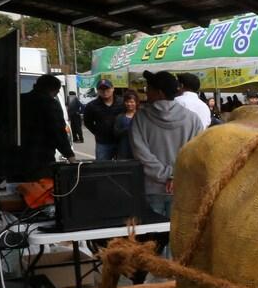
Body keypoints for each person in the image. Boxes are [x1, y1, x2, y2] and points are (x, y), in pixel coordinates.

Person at [131, 71, 205, 220]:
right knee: (178, 236)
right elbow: (196, 155)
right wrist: (174, 175)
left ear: (159, 93)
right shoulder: (193, 119)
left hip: (151, 188)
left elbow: (141, 154)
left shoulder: (140, 118)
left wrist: (165, 175)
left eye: (148, 89)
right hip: (182, 187)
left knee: (153, 238)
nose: (146, 93)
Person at [12, 73, 76, 179]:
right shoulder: (50, 104)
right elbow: (58, 132)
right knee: (40, 191)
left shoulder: (20, 100)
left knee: (18, 190)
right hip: (40, 158)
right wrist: (69, 155)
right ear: (53, 90)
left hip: (15, 158)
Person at [83, 78, 125, 161]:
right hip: (103, 143)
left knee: (122, 168)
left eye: (107, 88)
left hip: (121, 141)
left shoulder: (122, 102)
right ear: (97, 91)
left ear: (113, 89)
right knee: (102, 168)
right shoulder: (91, 106)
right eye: (101, 89)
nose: (104, 91)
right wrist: (98, 132)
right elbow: (88, 122)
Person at [114, 93, 138, 159]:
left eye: (132, 102)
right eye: (127, 102)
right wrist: (127, 129)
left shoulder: (141, 116)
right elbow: (116, 133)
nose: (129, 104)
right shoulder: (120, 117)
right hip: (124, 148)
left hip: (138, 148)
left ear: (136, 103)